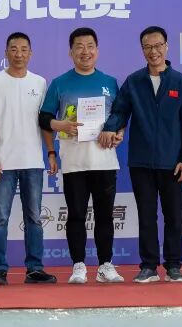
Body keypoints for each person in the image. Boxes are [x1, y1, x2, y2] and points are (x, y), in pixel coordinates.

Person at [101, 26, 182, 284]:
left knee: (173, 216)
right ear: (142, 50)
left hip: (172, 162)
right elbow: (120, 111)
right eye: (147, 47)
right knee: (146, 215)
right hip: (141, 162)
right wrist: (111, 128)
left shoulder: (180, 82)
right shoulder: (134, 81)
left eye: (157, 46)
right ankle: (149, 266)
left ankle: (174, 266)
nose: (153, 51)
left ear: (166, 47)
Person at [39, 27, 125, 284]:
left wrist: (119, 133)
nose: (85, 52)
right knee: (76, 214)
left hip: (104, 160)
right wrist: (61, 125)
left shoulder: (110, 82)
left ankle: (105, 265)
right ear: (71, 52)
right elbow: (44, 118)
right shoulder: (60, 83)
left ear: (97, 50)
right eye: (79, 47)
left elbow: (120, 116)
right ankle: (78, 265)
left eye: (90, 46)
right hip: (74, 161)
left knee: (104, 215)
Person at [0, 32, 56, 285]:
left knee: (34, 218)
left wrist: (50, 152)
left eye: (23, 49)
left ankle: (35, 268)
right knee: (0, 219)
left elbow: (45, 122)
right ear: (6, 52)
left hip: (33, 162)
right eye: (13, 49)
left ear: (30, 53)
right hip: (4, 162)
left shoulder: (40, 83)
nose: (18, 54)